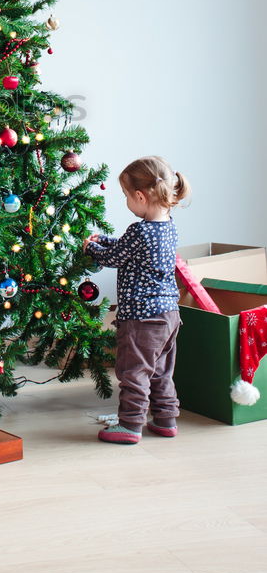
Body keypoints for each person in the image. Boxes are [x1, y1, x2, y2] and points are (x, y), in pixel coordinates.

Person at [83, 156, 191, 445]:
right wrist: (103, 238)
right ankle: (166, 419)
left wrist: (93, 249)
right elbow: (125, 248)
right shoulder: (168, 225)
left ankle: (130, 425)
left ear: (141, 196)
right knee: (161, 372)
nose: (127, 202)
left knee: (134, 372)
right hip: (169, 314)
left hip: (142, 318)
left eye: (126, 196)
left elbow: (115, 257)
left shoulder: (139, 230)